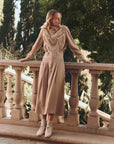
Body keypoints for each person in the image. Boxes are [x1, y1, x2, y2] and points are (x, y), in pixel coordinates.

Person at [19, 9, 92, 138]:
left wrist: (84, 59)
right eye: (56, 18)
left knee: (53, 94)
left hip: (58, 63)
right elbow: (36, 46)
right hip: (45, 63)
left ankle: (49, 125)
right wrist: (27, 57)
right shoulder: (44, 30)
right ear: (50, 19)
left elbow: (73, 46)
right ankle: (42, 124)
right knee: (43, 93)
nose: (58, 20)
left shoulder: (64, 30)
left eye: (60, 18)